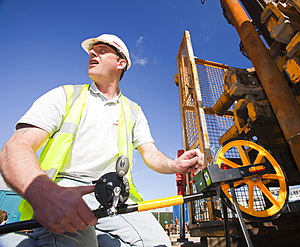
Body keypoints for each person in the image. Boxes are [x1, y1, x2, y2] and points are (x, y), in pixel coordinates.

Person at [0, 34, 203, 246]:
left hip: (114, 193)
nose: (92, 54)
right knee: (81, 241)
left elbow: (150, 153)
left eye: (102, 50)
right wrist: (44, 193)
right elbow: (15, 146)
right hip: (65, 187)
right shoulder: (66, 96)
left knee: (156, 243)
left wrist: (175, 165)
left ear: (121, 63)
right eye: (91, 51)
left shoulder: (134, 110)